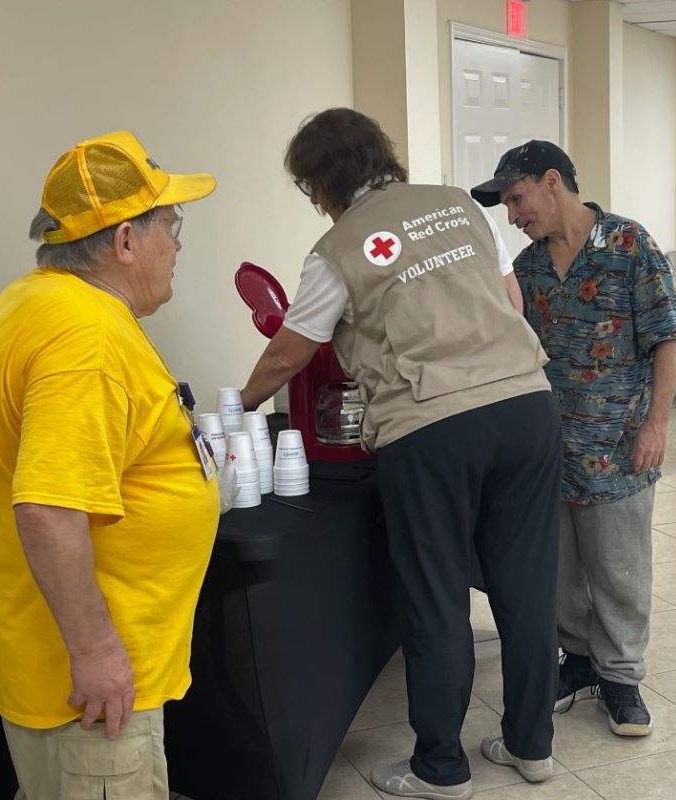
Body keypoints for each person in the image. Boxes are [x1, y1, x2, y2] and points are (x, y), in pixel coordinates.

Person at [241, 108, 563, 799]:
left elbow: (289, 352)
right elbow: (511, 300)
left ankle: (441, 769)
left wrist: (236, 407)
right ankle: (531, 746)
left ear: (318, 183)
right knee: (525, 585)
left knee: (437, 595)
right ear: (381, 154)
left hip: (433, 425)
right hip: (528, 406)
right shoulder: (457, 208)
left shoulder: (338, 247)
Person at [0, 130, 220, 800]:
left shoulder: (31, 300)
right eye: (171, 224)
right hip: (86, 687)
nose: (179, 242)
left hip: (48, 651)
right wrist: (98, 654)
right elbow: (47, 507)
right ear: (125, 240)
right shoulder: (86, 337)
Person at [471, 140, 676, 738]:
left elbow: (668, 338)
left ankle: (620, 678)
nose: (512, 215)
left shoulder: (629, 245)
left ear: (551, 182)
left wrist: (657, 424)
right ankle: (580, 661)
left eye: (516, 199)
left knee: (618, 569)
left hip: (619, 447)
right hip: (548, 451)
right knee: (560, 571)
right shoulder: (530, 267)